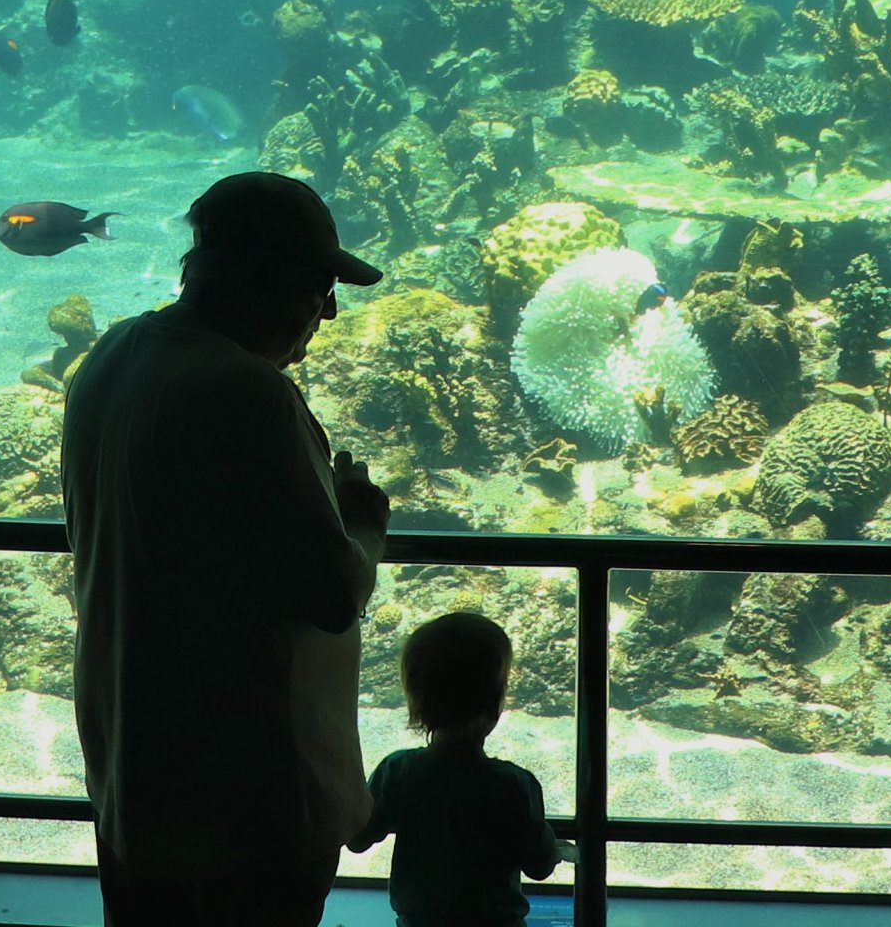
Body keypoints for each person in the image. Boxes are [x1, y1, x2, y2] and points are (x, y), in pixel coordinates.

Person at [62, 170, 391, 926]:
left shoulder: (111, 357)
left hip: (133, 775)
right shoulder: (249, 393)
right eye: (318, 285)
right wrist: (364, 523)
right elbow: (333, 595)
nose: (328, 312)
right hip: (247, 802)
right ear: (267, 278)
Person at [349, 611, 575, 927]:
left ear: (416, 697)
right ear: (495, 703)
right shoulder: (514, 784)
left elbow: (358, 838)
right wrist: (558, 848)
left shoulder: (397, 771)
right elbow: (539, 865)